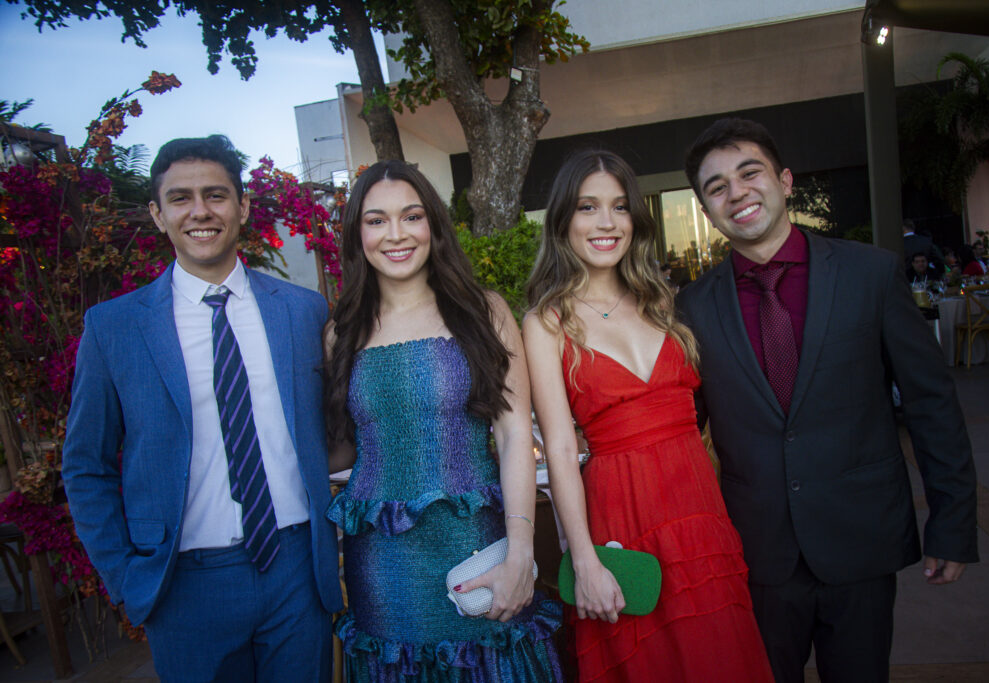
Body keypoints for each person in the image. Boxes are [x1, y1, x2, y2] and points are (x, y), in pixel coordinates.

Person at [677, 118, 977, 683]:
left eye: (750, 173)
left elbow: (931, 403)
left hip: (860, 536)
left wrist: (953, 523)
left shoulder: (870, 273)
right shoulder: (690, 307)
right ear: (707, 209)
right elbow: (680, 428)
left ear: (785, 181)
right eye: (717, 187)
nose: (736, 192)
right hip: (755, 550)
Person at [63, 135, 343, 680]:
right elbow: (85, 466)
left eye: (215, 195)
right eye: (180, 198)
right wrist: (126, 576)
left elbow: (337, 428)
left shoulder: (303, 312)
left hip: (296, 572)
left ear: (242, 206)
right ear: (158, 214)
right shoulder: (114, 328)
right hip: (185, 584)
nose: (200, 211)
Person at [522, 149, 773, 682]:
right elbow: (560, 449)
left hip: (699, 512)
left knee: (720, 658)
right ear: (563, 219)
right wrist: (584, 560)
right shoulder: (547, 322)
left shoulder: (663, 302)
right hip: (622, 515)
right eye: (588, 207)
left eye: (619, 207)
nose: (607, 222)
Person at [323, 160, 563, 681]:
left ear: (433, 223)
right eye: (376, 220)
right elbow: (344, 446)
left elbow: (514, 434)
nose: (396, 234)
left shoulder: (484, 311)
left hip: (476, 546)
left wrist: (521, 552)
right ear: (357, 233)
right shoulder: (341, 329)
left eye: (411, 216)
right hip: (382, 564)